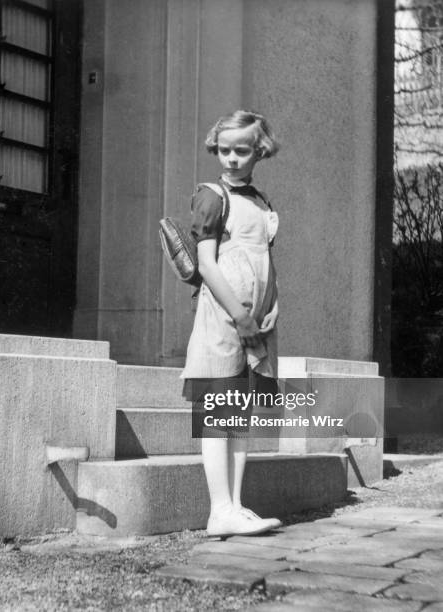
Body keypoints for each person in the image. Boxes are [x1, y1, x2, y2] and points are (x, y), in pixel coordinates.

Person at [181, 110, 282, 537]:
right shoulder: (211, 196)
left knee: (241, 415)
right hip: (225, 317)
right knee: (216, 414)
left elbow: (262, 260)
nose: (232, 158)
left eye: (242, 150)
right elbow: (207, 263)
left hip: (256, 322)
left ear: (259, 150)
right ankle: (218, 507)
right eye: (225, 150)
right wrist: (239, 315)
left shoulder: (260, 202)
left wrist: (267, 309)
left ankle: (236, 506)